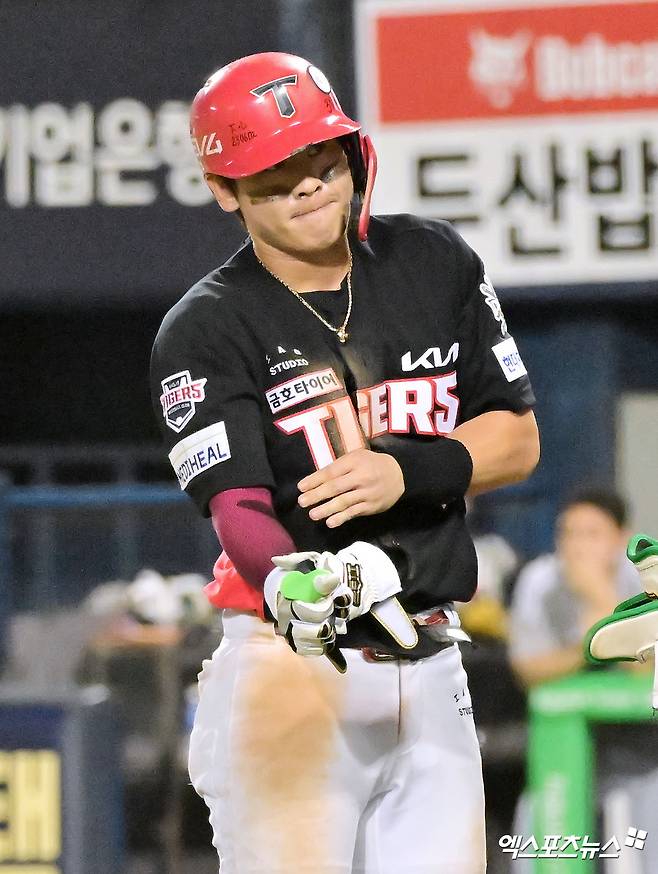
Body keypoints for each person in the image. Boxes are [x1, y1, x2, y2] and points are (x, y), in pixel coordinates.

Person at [150, 52, 539, 874]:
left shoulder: (433, 261)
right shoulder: (206, 326)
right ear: (224, 190)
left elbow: (516, 438)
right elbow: (237, 506)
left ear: (350, 148)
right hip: (294, 667)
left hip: (432, 655)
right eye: (272, 174)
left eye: (318, 157)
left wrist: (406, 471)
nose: (306, 184)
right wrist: (288, 580)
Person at [508, 488, 641, 687]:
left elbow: (648, 669)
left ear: (622, 538)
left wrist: (604, 601)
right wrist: (587, 645)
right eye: (569, 534)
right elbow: (526, 671)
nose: (578, 547)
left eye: (592, 534)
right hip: (561, 698)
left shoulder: (644, 573)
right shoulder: (539, 580)